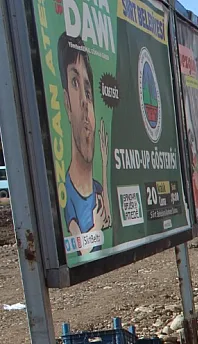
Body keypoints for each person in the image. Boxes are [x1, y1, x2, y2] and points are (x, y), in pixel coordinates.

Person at [59, 33, 110, 255]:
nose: (84, 100)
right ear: (66, 103)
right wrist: (96, 226)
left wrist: (105, 162)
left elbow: (107, 217)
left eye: (88, 91)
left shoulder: (97, 187)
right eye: (74, 83)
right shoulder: (66, 192)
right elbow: (83, 250)